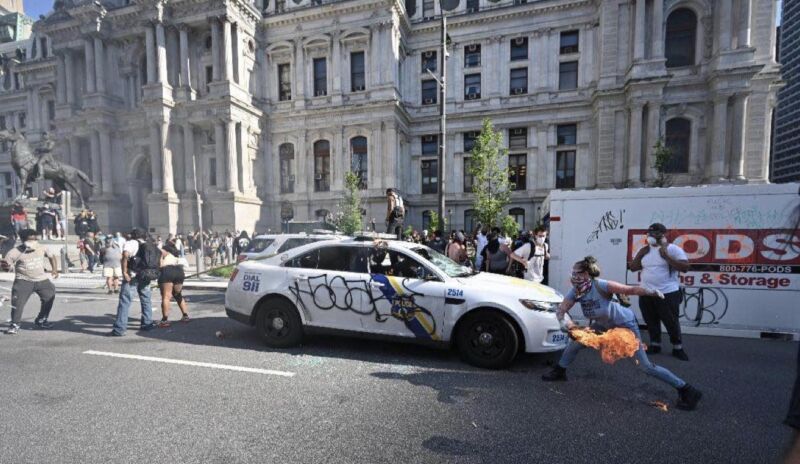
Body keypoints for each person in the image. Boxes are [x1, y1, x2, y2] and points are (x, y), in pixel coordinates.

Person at [542, 256, 702, 411]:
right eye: (573, 272)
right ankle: (560, 371)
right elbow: (562, 310)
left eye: (577, 273)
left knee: (645, 366)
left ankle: (687, 389)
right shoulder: (576, 291)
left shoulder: (600, 285)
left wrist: (650, 292)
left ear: (586, 274)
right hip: (603, 325)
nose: (573, 276)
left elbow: (629, 289)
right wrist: (566, 324)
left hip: (625, 325)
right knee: (575, 344)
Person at [629, 222, 691, 361]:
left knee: (671, 321)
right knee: (651, 320)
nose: (652, 236)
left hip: (668, 292)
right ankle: (655, 344)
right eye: (649, 234)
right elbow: (633, 268)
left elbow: (685, 267)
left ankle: (677, 347)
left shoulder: (673, 249)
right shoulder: (644, 250)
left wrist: (666, 256)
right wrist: (640, 254)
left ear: (664, 235)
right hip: (646, 292)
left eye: (656, 234)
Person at [3, 229, 59, 334]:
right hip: (23, 281)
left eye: (35, 239)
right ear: (23, 240)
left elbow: (52, 257)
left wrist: (54, 270)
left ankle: (41, 319)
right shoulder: (14, 252)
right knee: (17, 304)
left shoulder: (42, 248)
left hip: (41, 280)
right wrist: (5, 267)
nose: (33, 242)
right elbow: (6, 267)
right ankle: (14, 324)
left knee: (49, 296)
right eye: (30, 240)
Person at [109, 229, 159, 336]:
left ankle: (119, 329)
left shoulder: (131, 243)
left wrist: (124, 272)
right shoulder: (148, 244)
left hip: (132, 276)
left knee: (125, 302)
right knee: (146, 300)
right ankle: (147, 324)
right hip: (145, 275)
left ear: (134, 235)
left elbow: (125, 256)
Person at [157, 238, 190, 327]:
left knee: (166, 297)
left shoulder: (165, 251)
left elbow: (160, 258)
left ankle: (164, 320)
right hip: (179, 271)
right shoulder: (175, 252)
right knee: (178, 295)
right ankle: (185, 316)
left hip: (167, 270)